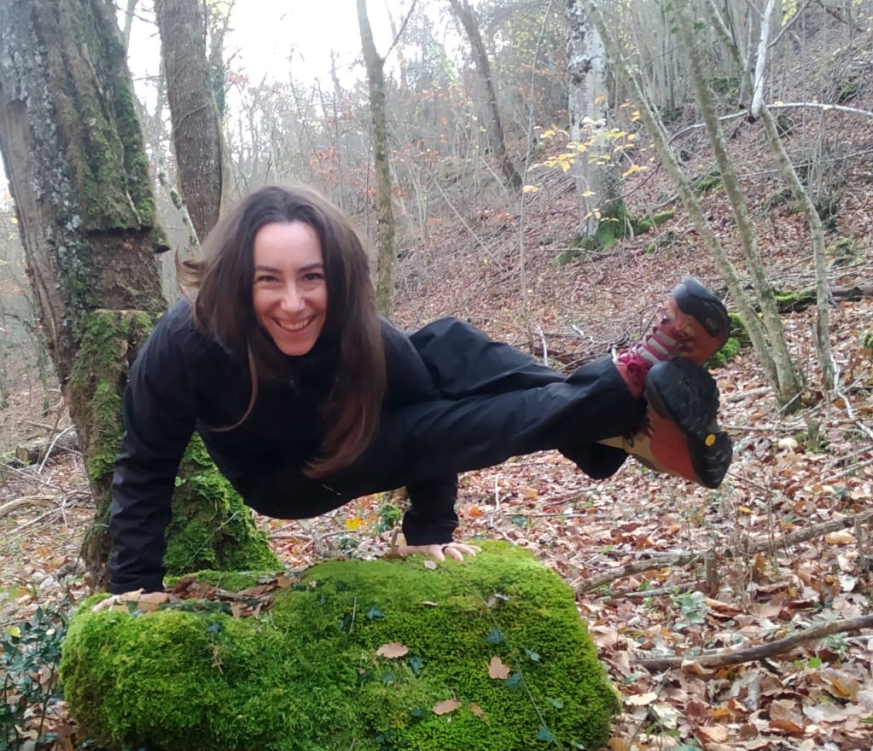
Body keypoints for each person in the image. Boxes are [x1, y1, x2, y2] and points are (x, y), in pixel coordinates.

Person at [106, 184, 732, 594]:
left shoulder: (355, 330)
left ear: (337, 278)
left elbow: (429, 412)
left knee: (445, 343)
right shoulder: (187, 341)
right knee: (432, 412)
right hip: (283, 482)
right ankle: (620, 412)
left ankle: (619, 419)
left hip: (359, 437)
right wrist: (135, 585)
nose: (293, 303)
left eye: (312, 278)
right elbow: (145, 463)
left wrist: (429, 528)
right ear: (237, 279)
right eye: (268, 279)